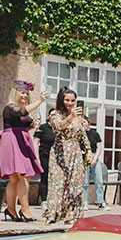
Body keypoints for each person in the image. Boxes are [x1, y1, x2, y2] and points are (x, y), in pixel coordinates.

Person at [0, 80, 49, 222]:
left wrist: (31, 127)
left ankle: (11, 209)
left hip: (22, 139)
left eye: (27, 93)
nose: (25, 95)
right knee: (21, 176)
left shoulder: (22, 108)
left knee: (18, 177)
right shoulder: (10, 107)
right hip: (12, 141)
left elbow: (22, 121)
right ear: (15, 93)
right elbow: (21, 112)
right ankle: (25, 209)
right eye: (22, 92)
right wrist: (40, 101)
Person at [44, 87, 91, 224]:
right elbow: (59, 127)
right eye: (67, 100)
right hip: (61, 151)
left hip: (75, 152)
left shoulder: (78, 117)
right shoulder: (55, 114)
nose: (70, 103)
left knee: (75, 184)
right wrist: (71, 117)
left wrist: (88, 151)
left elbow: (83, 135)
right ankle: (53, 215)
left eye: (72, 100)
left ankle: (72, 216)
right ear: (61, 100)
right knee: (57, 184)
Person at [81, 117, 109, 211]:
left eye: (84, 122)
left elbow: (99, 147)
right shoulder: (79, 134)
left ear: (88, 122)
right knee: (84, 182)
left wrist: (95, 159)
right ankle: (84, 202)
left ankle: (100, 202)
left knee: (99, 180)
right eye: (81, 122)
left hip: (94, 157)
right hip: (83, 157)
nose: (83, 124)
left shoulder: (95, 134)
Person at [33, 118, 54, 205]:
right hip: (45, 155)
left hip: (56, 156)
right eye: (52, 115)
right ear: (49, 116)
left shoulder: (59, 128)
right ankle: (44, 200)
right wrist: (36, 158)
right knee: (44, 177)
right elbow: (35, 142)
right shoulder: (42, 127)